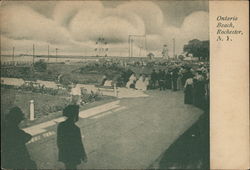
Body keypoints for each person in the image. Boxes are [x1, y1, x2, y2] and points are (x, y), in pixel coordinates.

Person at [57, 105, 87, 169]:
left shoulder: (61, 126)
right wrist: (83, 155)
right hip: (73, 155)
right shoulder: (76, 129)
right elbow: (79, 144)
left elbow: (59, 142)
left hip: (64, 154)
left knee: (67, 167)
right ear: (74, 116)